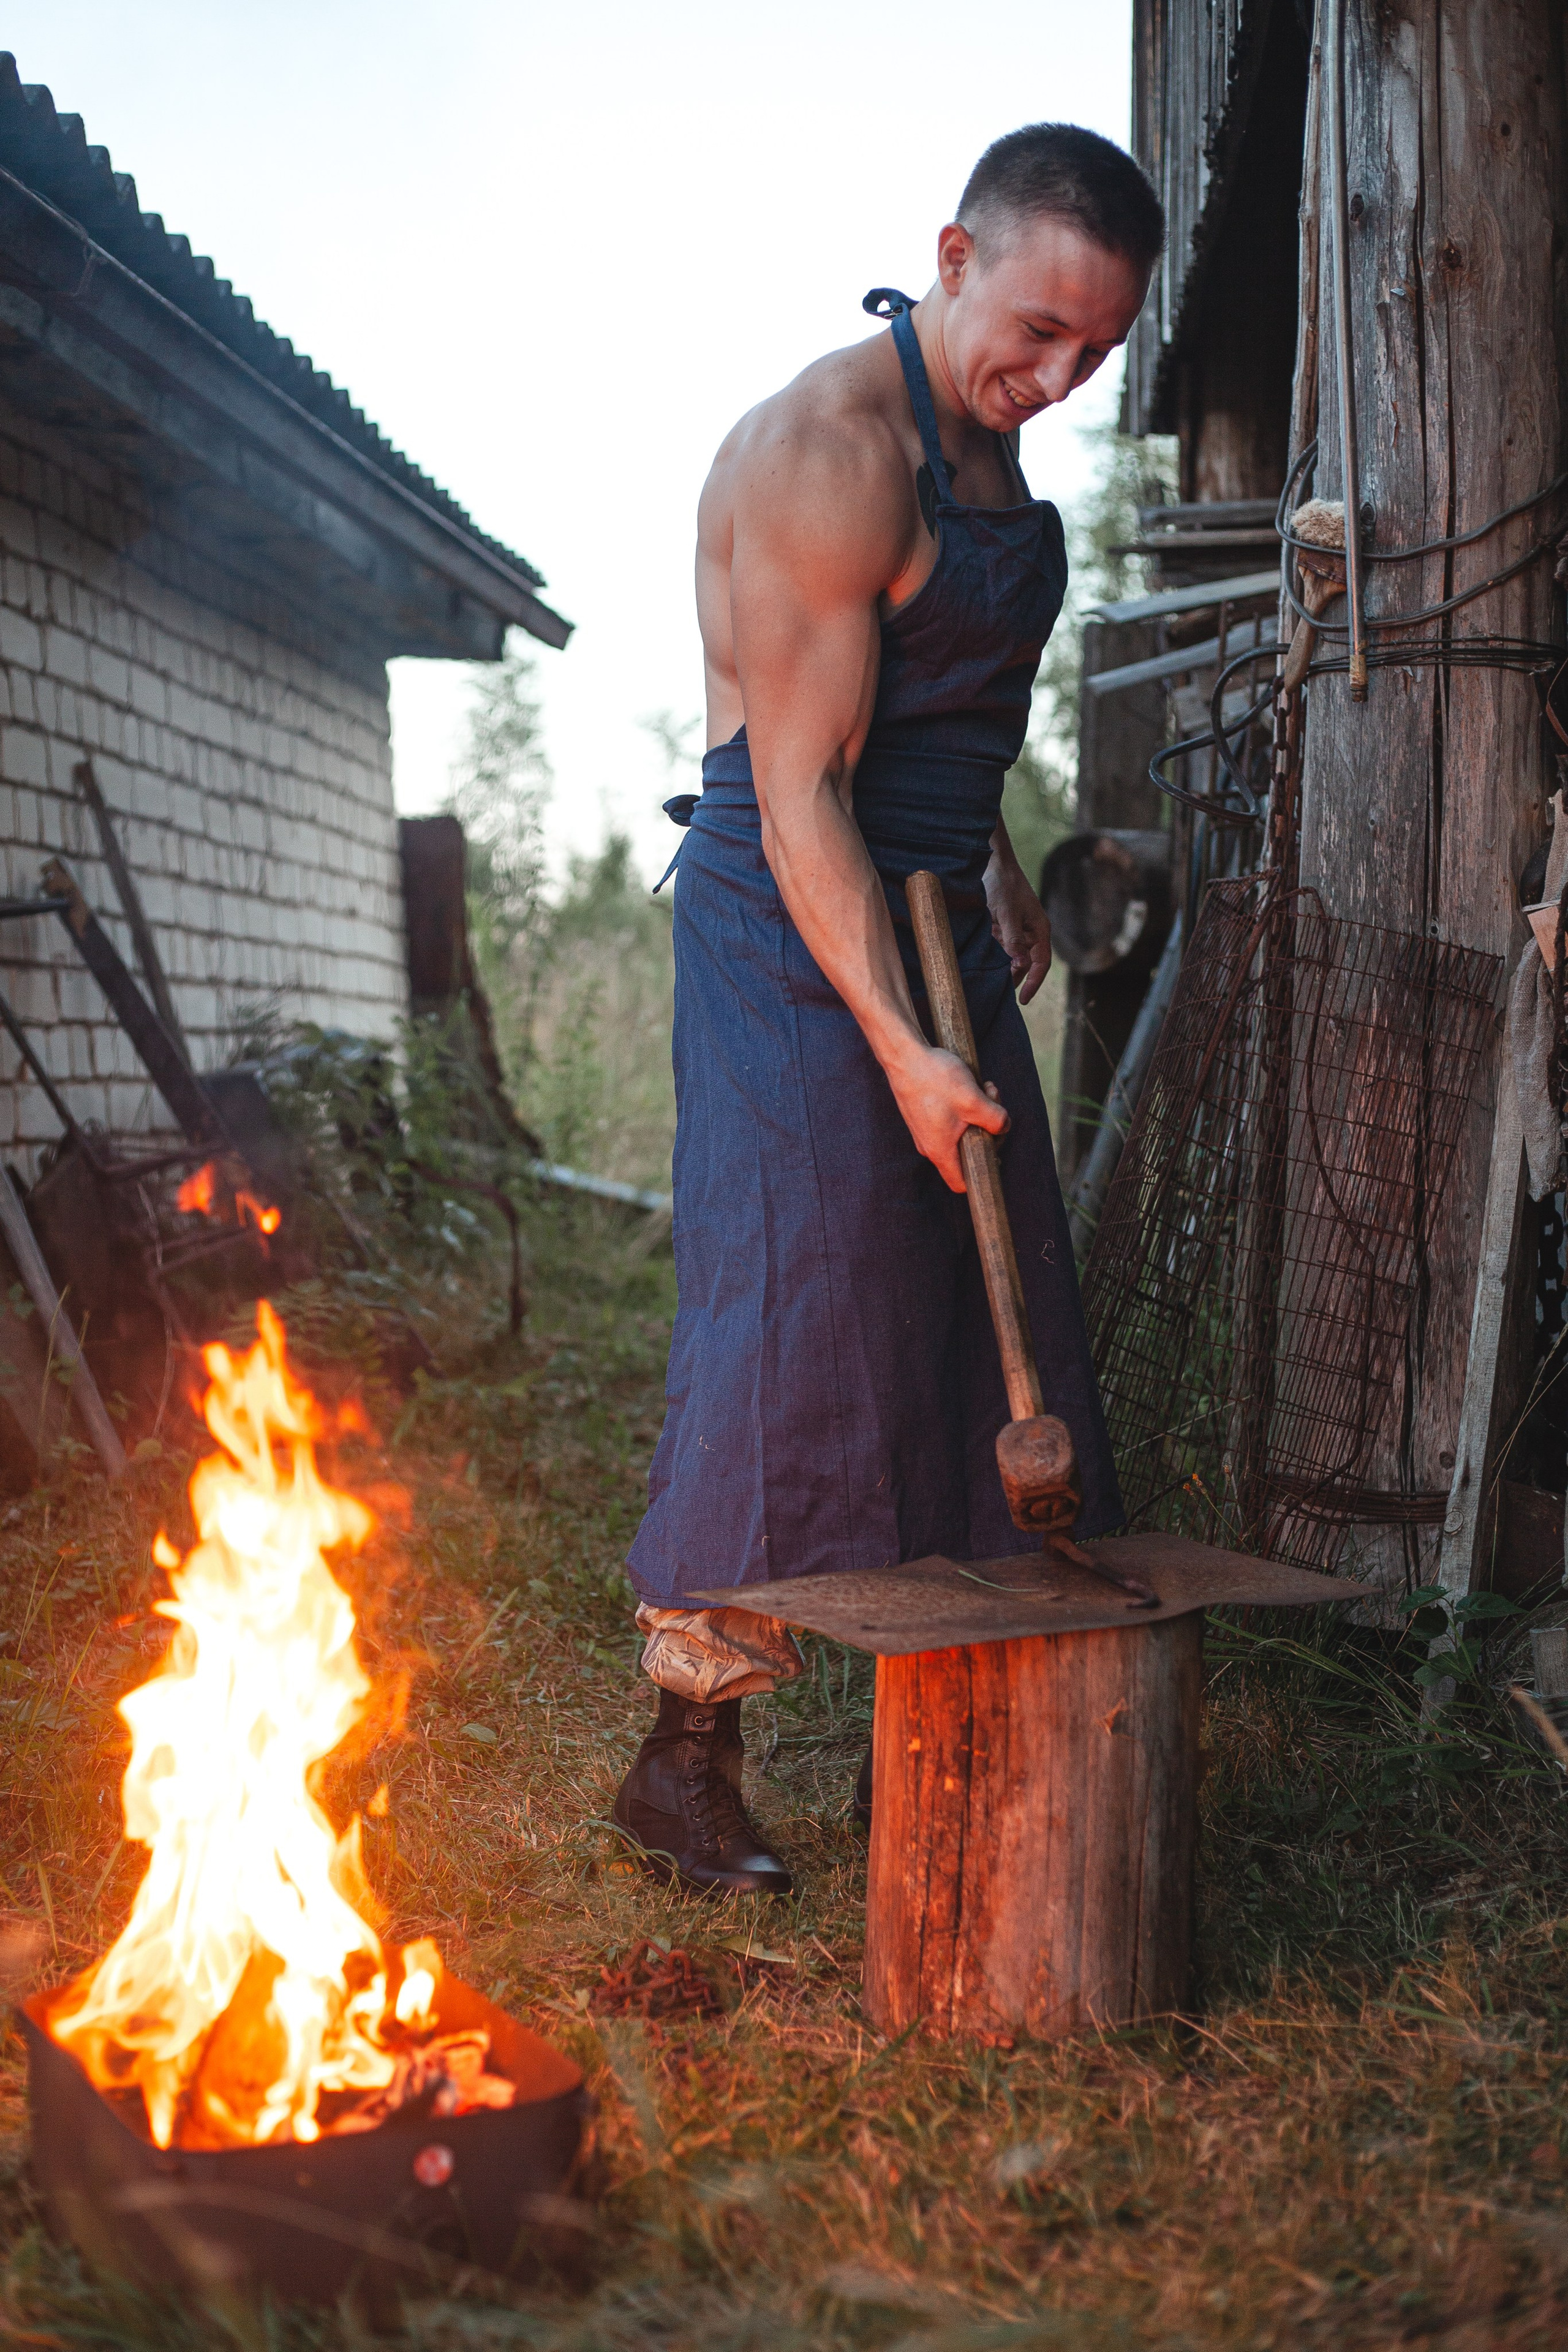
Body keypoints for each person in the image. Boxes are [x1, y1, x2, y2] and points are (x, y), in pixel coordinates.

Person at [612, 123, 1161, 1894]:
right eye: (1039, 329)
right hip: (790, 922)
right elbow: (796, 798)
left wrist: (991, 865)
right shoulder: (828, 459)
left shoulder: (997, 464)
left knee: (981, 1277)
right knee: (804, 1290)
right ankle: (683, 1754)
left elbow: (939, 720)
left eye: (1099, 349)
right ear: (952, 251)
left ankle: (979, 1712)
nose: (1060, 375)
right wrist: (905, 1054)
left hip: (926, 897)